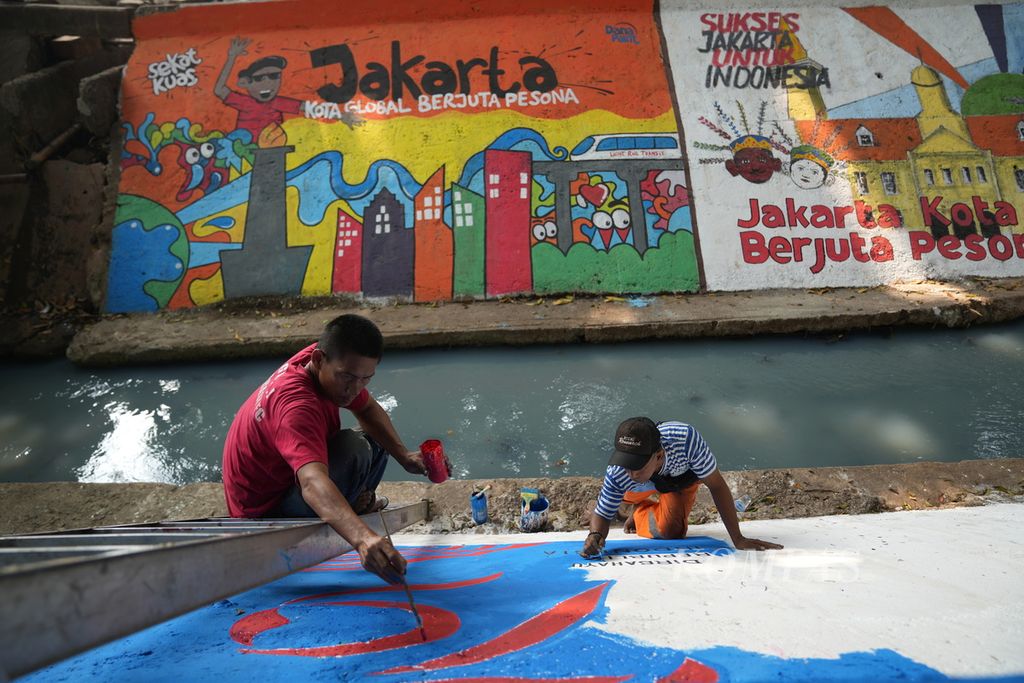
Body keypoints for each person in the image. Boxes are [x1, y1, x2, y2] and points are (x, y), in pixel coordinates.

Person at [222, 314, 427, 583]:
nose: (355, 389)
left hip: (285, 479)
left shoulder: (324, 359)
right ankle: (350, 509)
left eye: (366, 379)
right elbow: (311, 482)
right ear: (319, 360)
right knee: (356, 448)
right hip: (263, 512)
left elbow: (366, 408)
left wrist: (405, 456)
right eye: (348, 378)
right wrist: (362, 538)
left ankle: (349, 505)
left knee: (377, 440)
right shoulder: (296, 406)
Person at [582, 416, 782, 557]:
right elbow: (604, 512)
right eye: (626, 463)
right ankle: (634, 502)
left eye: (637, 466)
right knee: (618, 491)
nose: (632, 472)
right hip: (637, 489)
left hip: (678, 482)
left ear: (658, 456)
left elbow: (716, 486)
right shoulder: (621, 471)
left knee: (671, 531)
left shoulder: (686, 440)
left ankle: (641, 511)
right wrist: (595, 536)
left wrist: (738, 538)